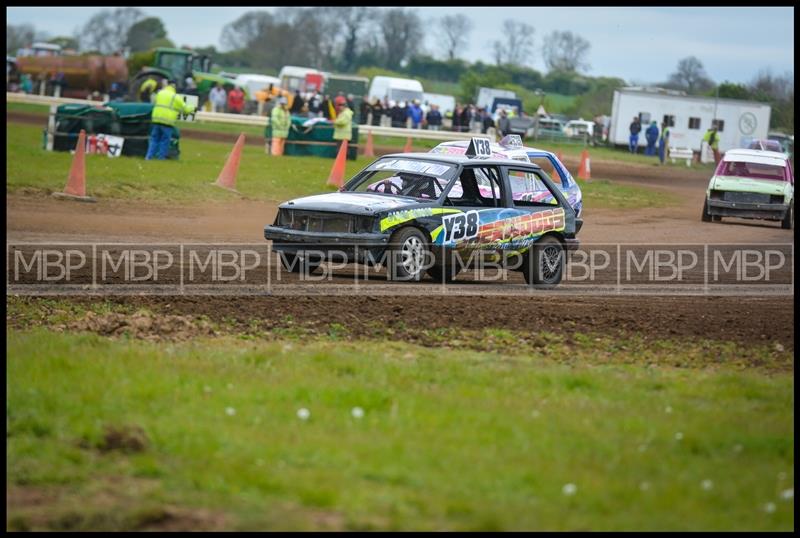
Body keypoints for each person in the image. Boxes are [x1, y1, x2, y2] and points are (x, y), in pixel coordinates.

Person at [146, 79, 195, 160]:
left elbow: (154, 103)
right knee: (165, 140)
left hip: (156, 119)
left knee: (154, 139)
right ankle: (161, 157)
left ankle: (149, 156)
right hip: (167, 121)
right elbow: (185, 109)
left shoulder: (160, 93)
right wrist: (193, 108)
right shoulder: (175, 96)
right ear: (174, 86)